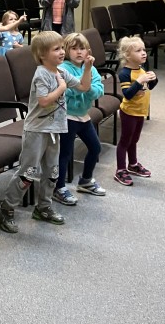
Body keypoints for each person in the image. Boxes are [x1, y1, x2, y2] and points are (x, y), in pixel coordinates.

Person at [0, 31, 93, 232]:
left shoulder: (61, 72)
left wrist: (88, 68)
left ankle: (44, 206)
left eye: (61, 48)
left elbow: (84, 86)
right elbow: (44, 101)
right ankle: (6, 208)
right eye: (56, 49)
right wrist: (62, 88)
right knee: (28, 173)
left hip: (55, 129)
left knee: (52, 172)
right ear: (42, 55)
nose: (61, 52)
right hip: (37, 131)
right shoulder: (41, 74)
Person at [53, 33, 105, 206]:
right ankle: (59, 188)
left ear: (88, 51)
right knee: (65, 154)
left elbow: (98, 90)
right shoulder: (63, 68)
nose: (78, 52)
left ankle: (86, 181)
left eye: (82, 48)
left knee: (95, 148)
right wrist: (83, 87)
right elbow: (64, 92)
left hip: (83, 115)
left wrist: (85, 83)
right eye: (73, 48)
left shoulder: (90, 68)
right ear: (67, 51)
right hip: (67, 116)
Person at [114, 36, 158, 186]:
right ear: (127, 55)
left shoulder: (141, 69)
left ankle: (132, 165)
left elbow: (150, 87)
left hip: (140, 112)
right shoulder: (125, 73)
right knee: (125, 141)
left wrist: (153, 79)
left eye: (144, 49)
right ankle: (120, 170)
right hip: (129, 113)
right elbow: (127, 94)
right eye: (138, 50)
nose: (144, 53)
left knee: (135, 140)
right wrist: (140, 81)